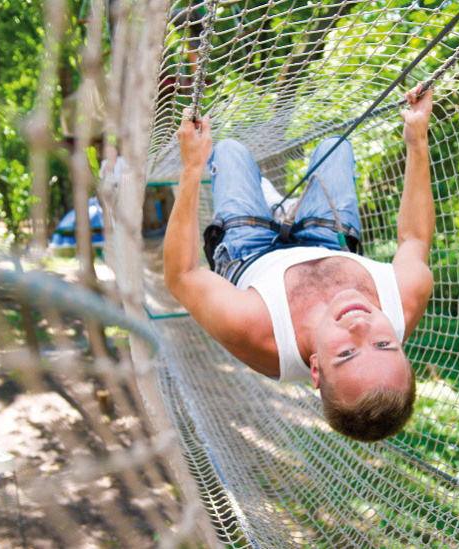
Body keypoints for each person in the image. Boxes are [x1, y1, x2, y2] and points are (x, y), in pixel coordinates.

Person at [164, 85, 435, 442]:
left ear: (316, 370)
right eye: (385, 344)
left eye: (347, 352)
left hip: (251, 253)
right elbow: (414, 238)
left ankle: (270, 207)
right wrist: (417, 140)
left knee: (229, 152)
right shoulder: (406, 298)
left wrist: (192, 167)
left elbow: (181, 275)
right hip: (327, 240)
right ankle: (287, 210)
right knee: (334, 148)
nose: (360, 326)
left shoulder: (254, 329)